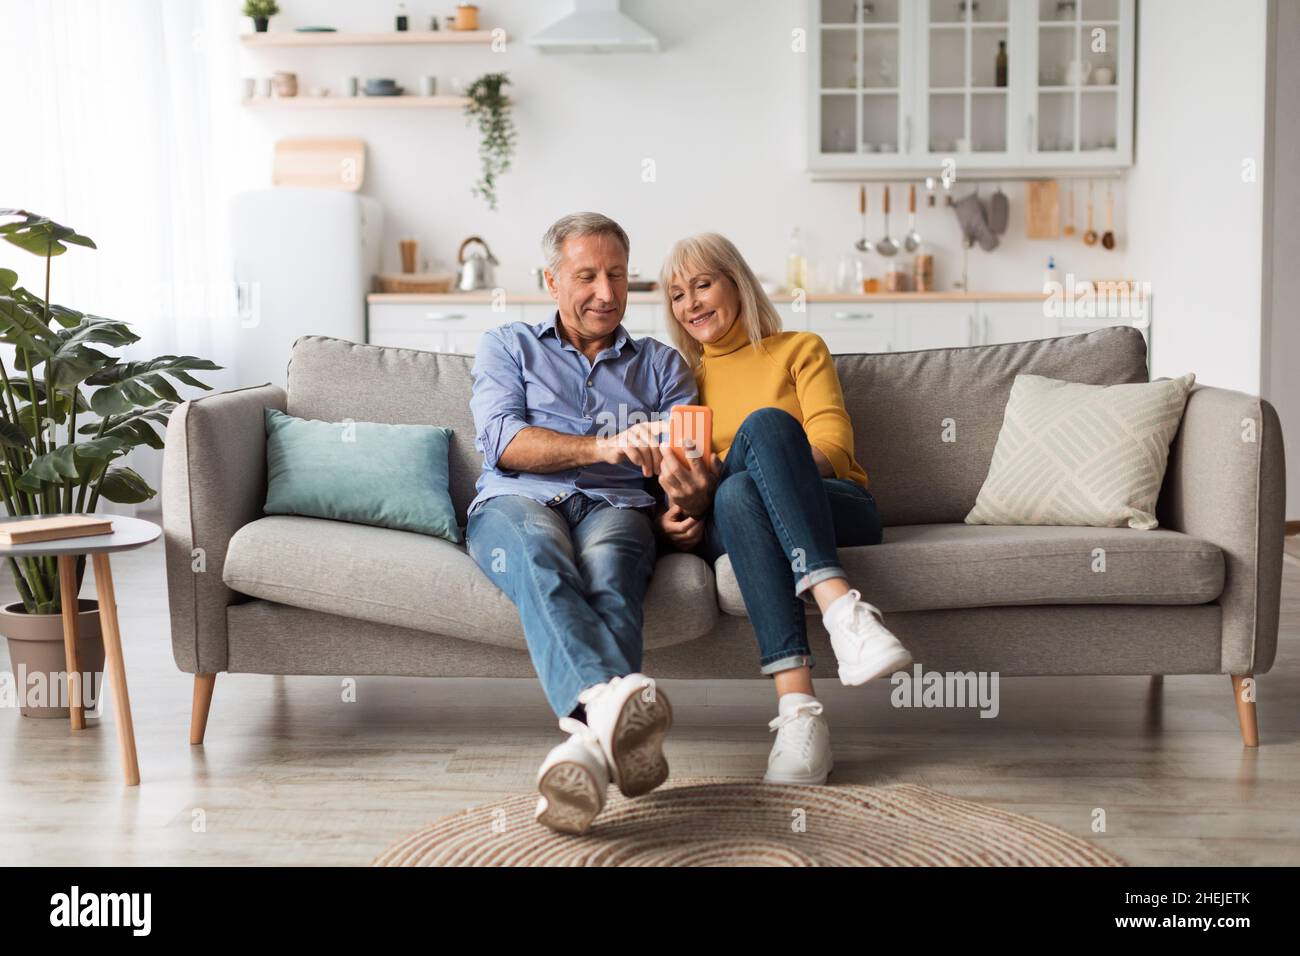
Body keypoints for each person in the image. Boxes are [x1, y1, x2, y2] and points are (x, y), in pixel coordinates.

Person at [654, 232, 913, 786]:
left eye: (703, 284)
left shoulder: (800, 348)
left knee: (764, 435)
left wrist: (749, 462)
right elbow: (679, 475)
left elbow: (836, 453)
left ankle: (801, 712)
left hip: (837, 506)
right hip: (729, 520)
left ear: (736, 283)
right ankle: (842, 620)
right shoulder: (682, 381)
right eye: (677, 294)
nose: (692, 303)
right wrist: (669, 514)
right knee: (735, 493)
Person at [466, 212, 696, 834]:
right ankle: (604, 705)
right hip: (519, 500)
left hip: (617, 507)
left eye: (617, 275)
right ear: (551, 280)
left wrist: (684, 500)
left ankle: (583, 754)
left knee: (612, 572)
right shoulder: (507, 345)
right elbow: (504, 443)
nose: (605, 292)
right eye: (587, 275)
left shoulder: (662, 365)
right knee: (540, 558)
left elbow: (686, 460)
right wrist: (605, 447)